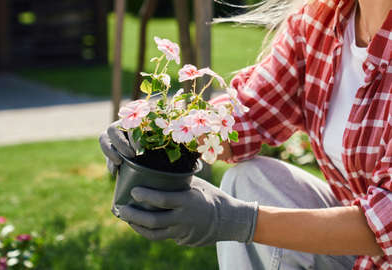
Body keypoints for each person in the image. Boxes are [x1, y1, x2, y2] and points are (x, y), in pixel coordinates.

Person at [100, 0, 391, 269]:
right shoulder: (322, 23)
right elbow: (245, 113)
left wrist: (235, 220)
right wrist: (154, 132)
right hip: (362, 256)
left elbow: (386, 223)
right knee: (250, 180)